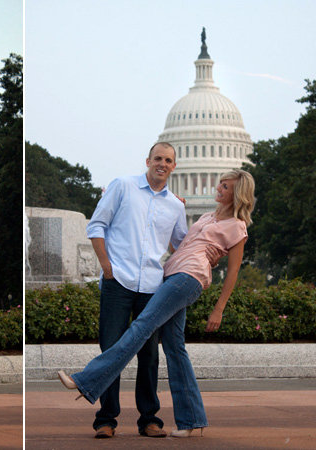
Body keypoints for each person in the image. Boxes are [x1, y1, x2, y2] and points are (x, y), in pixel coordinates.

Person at [59, 169, 255, 438]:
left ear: (238, 194)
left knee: (141, 328)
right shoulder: (207, 217)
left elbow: (232, 272)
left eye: (226, 187)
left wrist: (218, 308)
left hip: (188, 279)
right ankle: (190, 420)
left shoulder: (237, 227)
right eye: (220, 184)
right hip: (171, 276)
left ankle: (86, 381)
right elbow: (181, 245)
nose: (219, 188)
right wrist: (172, 205)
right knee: (175, 348)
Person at [83, 142, 188, 439]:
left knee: (149, 355)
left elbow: (181, 244)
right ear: (148, 161)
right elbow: (97, 225)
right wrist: (106, 266)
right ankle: (106, 419)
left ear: (173, 166)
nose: (162, 164)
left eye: (168, 160)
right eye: (158, 158)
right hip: (119, 281)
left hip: (153, 287)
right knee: (112, 349)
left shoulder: (175, 206)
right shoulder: (123, 186)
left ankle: (149, 419)